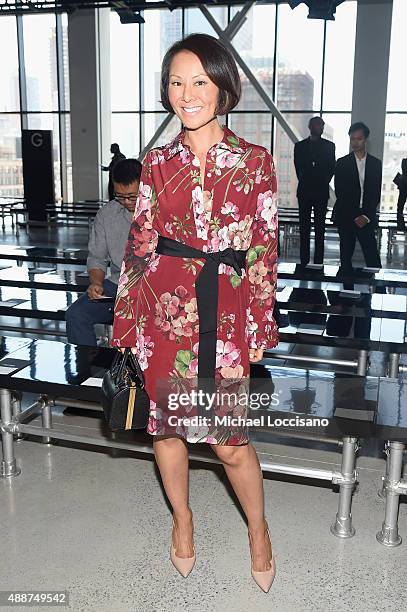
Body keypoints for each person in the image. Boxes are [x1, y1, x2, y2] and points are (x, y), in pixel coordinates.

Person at [111, 33, 279, 592]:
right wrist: (127, 324)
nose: (186, 93)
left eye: (199, 81)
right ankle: (182, 519)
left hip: (227, 316)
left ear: (222, 87)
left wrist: (260, 324)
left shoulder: (256, 162)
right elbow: (140, 246)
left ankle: (258, 529)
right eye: (176, 82)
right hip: (166, 314)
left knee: (230, 442)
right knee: (168, 432)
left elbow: (263, 248)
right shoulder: (156, 163)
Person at [66, 158, 142, 346]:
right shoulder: (106, 215)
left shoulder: (164, 212)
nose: (126, 202)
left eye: (132, 196)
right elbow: (97, 258)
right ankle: (90, 369)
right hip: (118, 286)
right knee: (76, 315)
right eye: (120, 196)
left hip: (156, 288)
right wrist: (96, 284)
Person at [332, 122, 382, 271]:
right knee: (345, 259)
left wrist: (365, 216)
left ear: (366, 140)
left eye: (359, 139)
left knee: (373, 259)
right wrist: (355, 215)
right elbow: (340, 193)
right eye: (352, 138)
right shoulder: (342, 163)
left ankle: (378, 293)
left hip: (366, 217)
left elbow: (375, 193)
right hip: (347, 216)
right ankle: (345, 291)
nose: (355, 142)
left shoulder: (375, 164)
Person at [294, 116, 336, 266]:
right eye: (317, 125)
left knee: (320, 228)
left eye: (322, 126)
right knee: (303, 228)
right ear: (310, 127)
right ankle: (303, 261)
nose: (320, 128)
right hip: (305, 191)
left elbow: (332, 168)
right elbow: (298, 169)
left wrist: (321, 180)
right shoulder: (299, 146)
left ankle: (319, 261)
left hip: (321, 191)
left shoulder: (329, 146)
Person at [394, 158, 407, 231]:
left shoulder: (404, 161)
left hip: (404, 183)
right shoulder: (404, 161)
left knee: (401, 201)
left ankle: (399, 214)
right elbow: (405, 170)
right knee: (401, 201)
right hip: (404, 184)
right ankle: (399, 214)